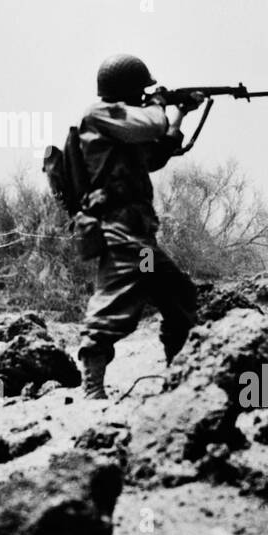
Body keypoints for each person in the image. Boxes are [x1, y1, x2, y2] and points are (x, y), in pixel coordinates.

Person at [76, 54, 201, 400]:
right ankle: (92, 390)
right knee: (112, 307)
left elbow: (156, 155)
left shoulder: (124, 127)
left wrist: (180, 112)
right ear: (126, 90)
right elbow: (149, 126)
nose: (145, 96)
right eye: (141, 91)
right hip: (117, 232)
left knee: (177, 294)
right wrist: (161, 106)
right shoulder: (100, 115)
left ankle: (179, 376)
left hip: (141, 237)